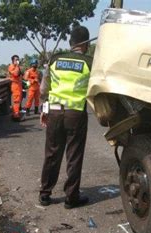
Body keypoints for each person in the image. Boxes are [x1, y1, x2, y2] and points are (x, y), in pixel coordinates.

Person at [38, 26, 93, 209]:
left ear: (71, 43)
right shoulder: (89, 62)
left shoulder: (55, 60)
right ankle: (71, 198)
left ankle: (45, 195)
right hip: (75, 114)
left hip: (53, 112)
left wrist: (44, 109)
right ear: (85, 44)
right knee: (74, 156)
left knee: (52, 154)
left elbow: (44, 89)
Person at [8, 55, 23, 121]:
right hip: (15, 85)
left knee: (18, 100)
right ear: (13, 60)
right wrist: (17, 66)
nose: (17, 61)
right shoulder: (11, 67)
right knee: (16, 100)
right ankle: (16, 116)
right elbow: (16, 74)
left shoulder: (17, 67)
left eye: (18, 59)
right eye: (16, 60)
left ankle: (16, 113)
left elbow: (20, 75)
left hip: (18, 84)